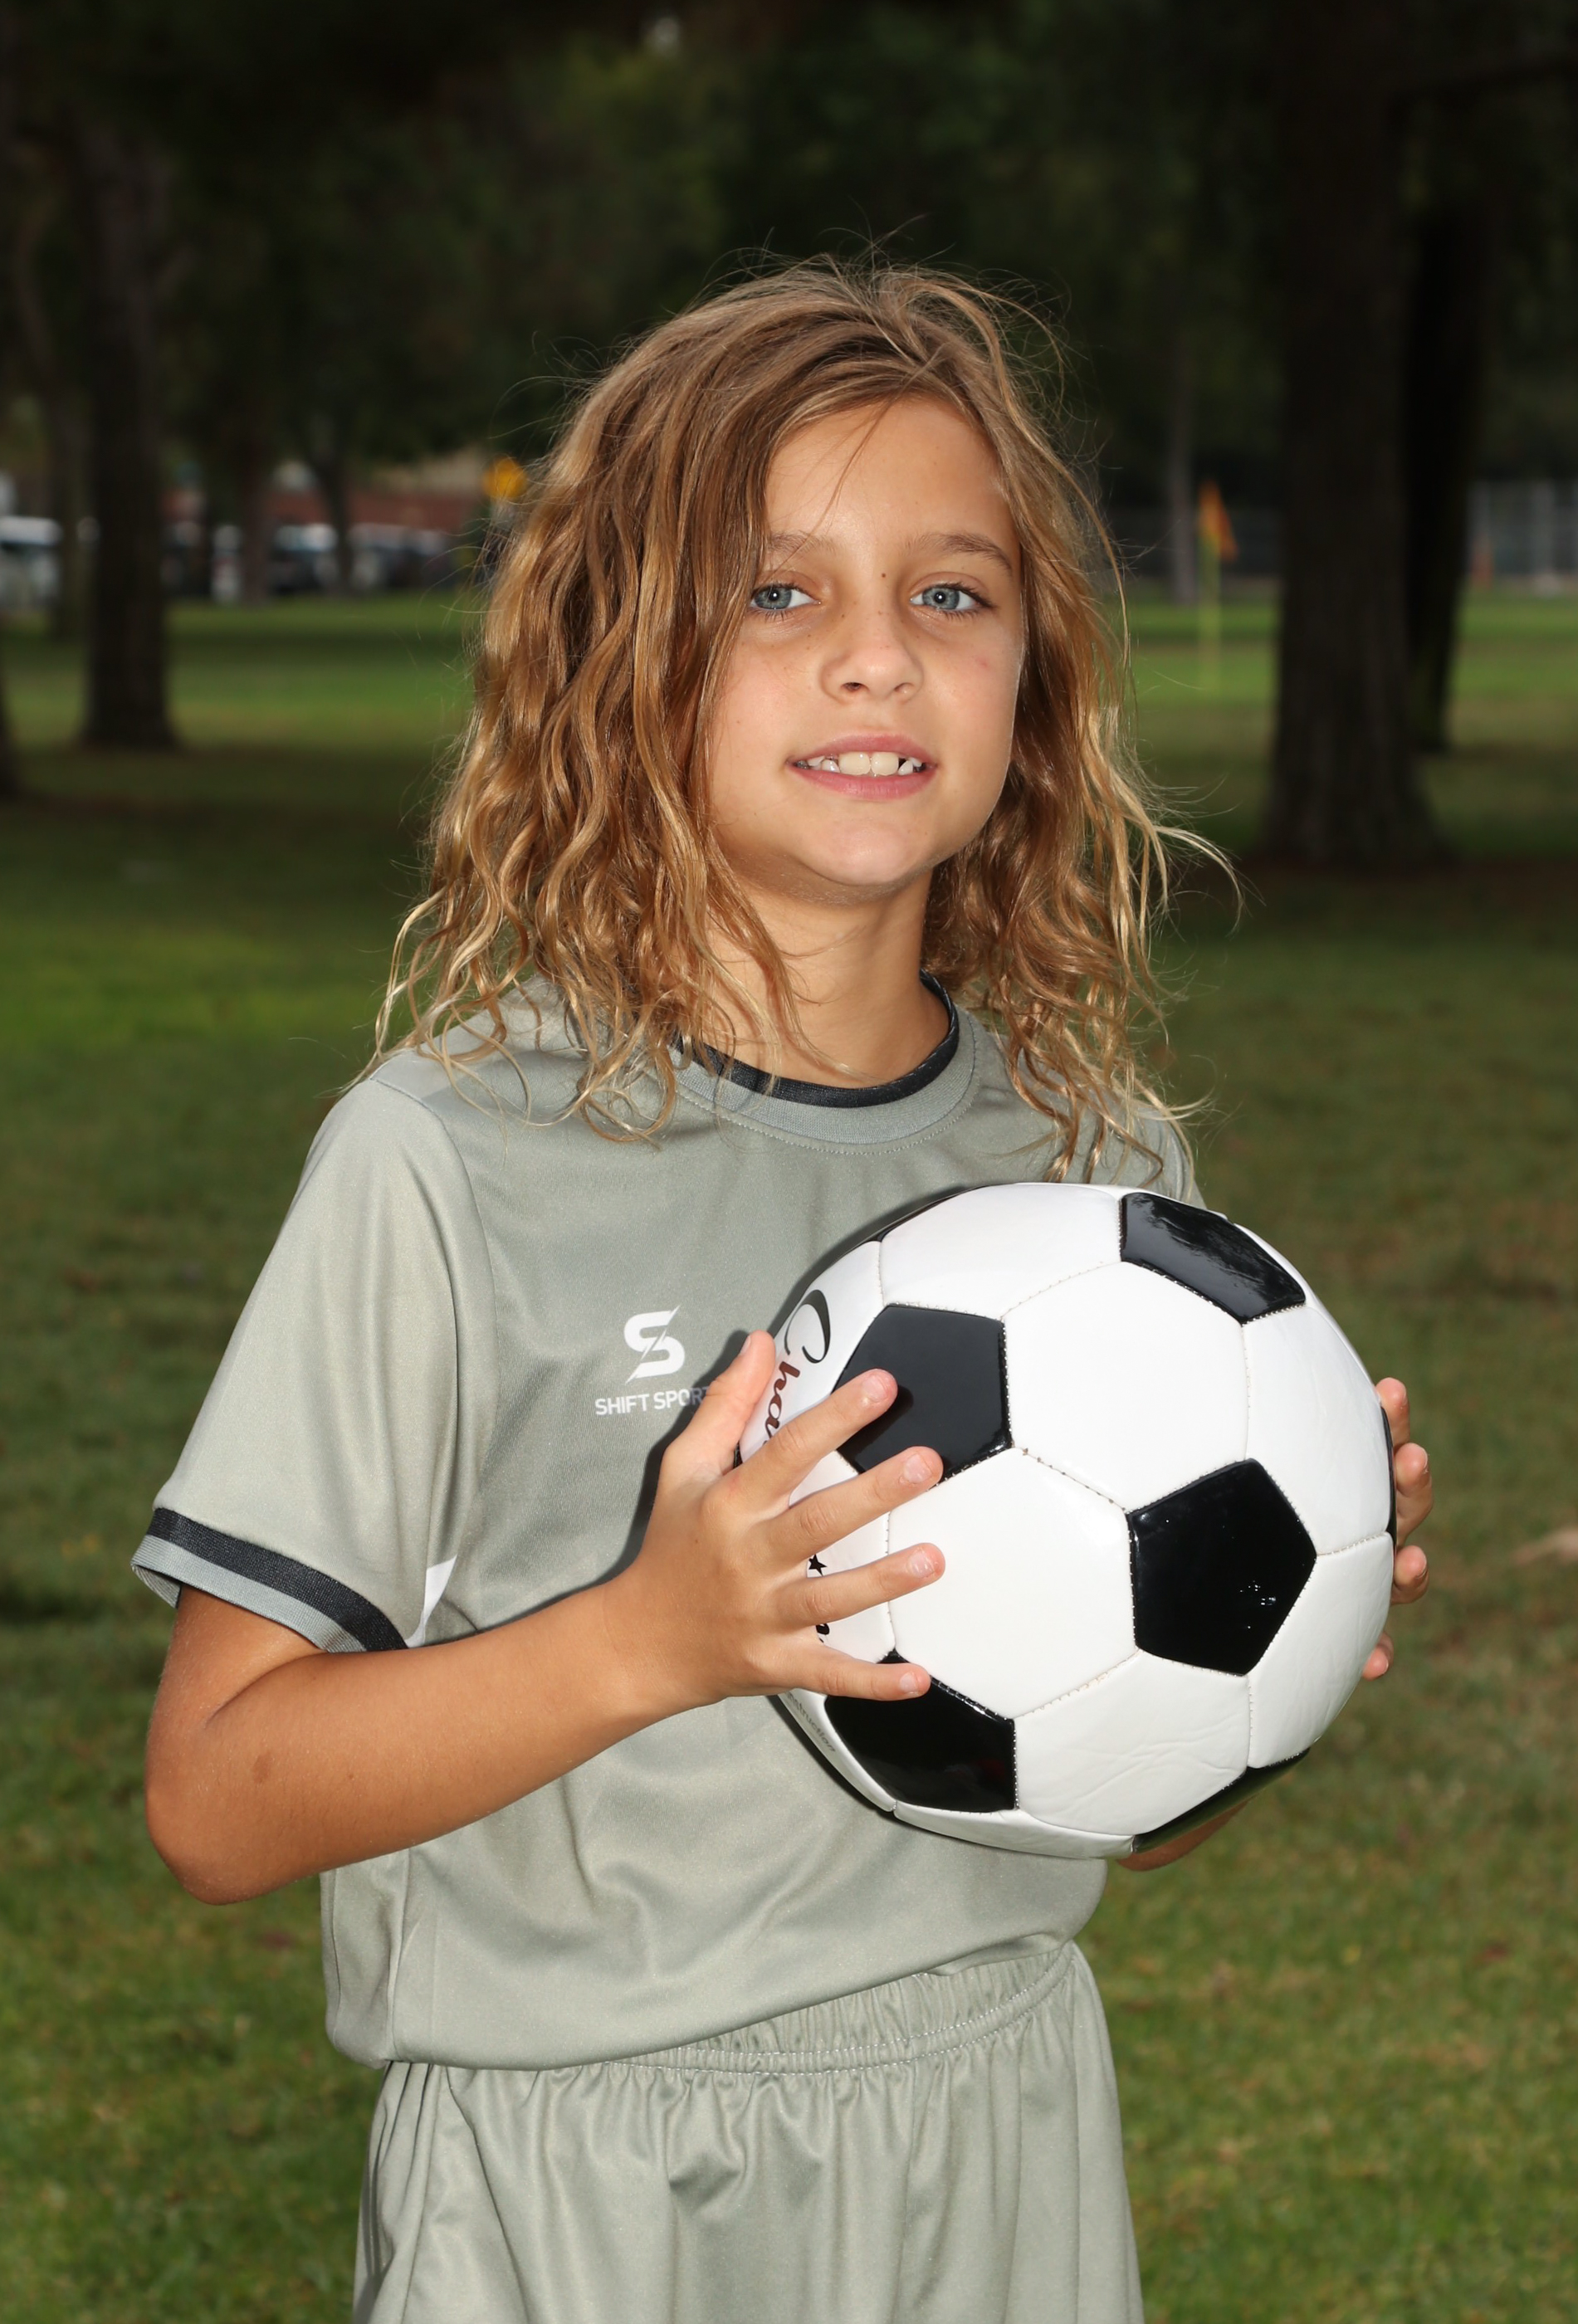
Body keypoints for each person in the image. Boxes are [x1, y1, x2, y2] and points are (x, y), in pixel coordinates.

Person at [136, 265, 1433, 2324]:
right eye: (775, 592)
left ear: (1035, 676)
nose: (876, 657)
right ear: (617, 657)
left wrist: (1276, 1621)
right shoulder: (447, 1160)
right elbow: (214, 1798)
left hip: (995, 2136)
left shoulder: (1092, 1173)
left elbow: (1109, 1807)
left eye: (951, 593)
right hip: (578, 2177)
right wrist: (649, 1638)